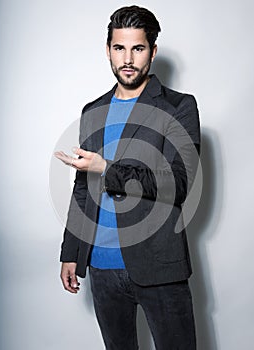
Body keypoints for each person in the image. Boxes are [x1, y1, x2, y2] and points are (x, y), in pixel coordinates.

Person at [55, 5, 200, 350]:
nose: (128, 59)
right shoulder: (93, 111)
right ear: (108, 50)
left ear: (153, 51)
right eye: (120, 48)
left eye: (138, 48)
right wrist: (70, 252)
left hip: (159, 267)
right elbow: (82, 188)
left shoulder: (178, 107)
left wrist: (107, 169)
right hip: (102, 269)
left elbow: (178, 185)